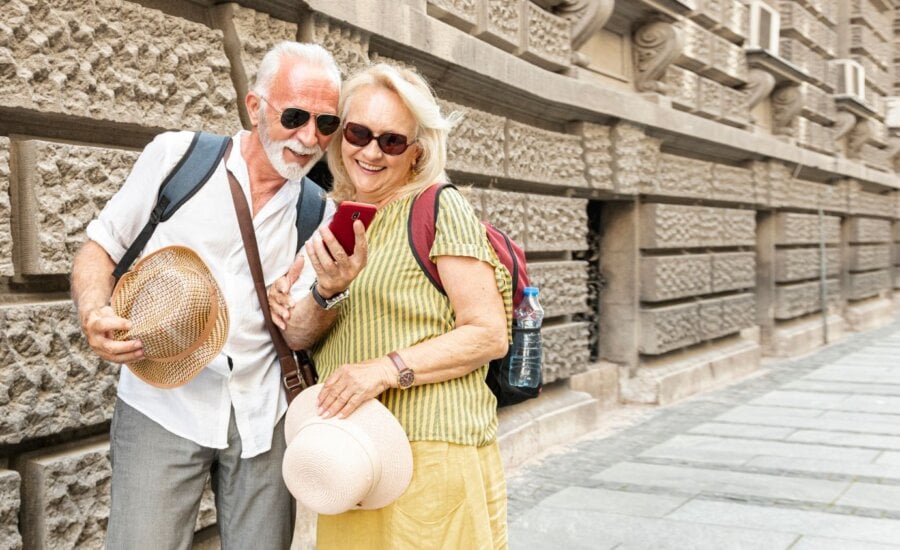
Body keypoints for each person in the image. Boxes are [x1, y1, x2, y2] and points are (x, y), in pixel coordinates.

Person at [71, 42, 367, 549]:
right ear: (254, 107)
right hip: (161, 407)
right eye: (294, 116)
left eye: (325, 125)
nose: (307, 138)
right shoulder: (176, 158)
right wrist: (93, 311)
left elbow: (298, 332)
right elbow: (99, 247)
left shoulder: (318, 212)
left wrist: (324, 295)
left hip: (264, 415)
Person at [269, 63, 512, 549]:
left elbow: (488, 333)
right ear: (340, 138)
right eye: (358, 133)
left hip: (430, 454)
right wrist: (322, 294)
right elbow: (298, 337)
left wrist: (384, 369)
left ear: (416, 150)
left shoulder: (438, 206)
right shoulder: (339, 216)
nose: (371, 151)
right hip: (352, 459)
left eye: (392, 141)